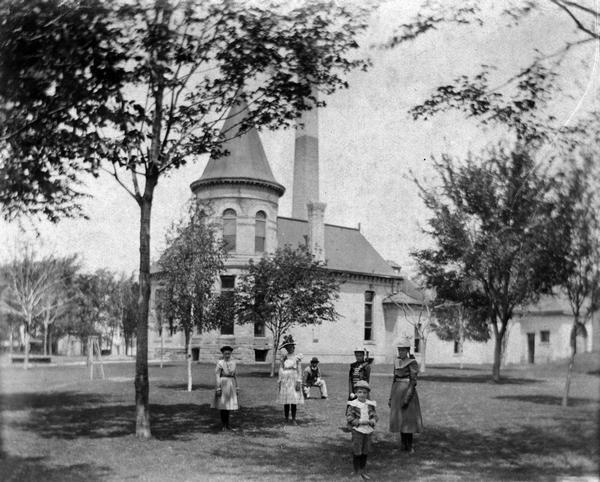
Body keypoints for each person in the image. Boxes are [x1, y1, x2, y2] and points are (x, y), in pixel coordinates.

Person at [388, 336, 423, 452]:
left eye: (403, 350)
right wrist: (390, 397)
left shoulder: (412, 363)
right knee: (400, 419)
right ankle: (403, 445)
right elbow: (394, 379)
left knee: (408, 419)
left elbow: (413, 382)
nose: (401, 352)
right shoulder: (397, 362)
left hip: (408, 392)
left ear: (408, 351)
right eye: (399, 350)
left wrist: (407, 398)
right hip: (397, 392)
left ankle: (409, 445)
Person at [346, 380, 378, 479]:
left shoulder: (370, 404)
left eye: (364, 392)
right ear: (356, 393)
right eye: (360, 392)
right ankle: (356, 471)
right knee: (357, 450)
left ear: (367, 394)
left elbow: (374, 415)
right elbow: (349, 417)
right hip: (358, 430)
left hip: (368, 431)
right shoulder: (353, 404)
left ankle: (363, 470)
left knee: (365, 450)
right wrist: (359, 422)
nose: (362, 395)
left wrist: (373, 420)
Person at [211, 345, 239, 431]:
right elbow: (217, 375)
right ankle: (223, 425)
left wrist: (237, 387)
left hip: (231, 384)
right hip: (223, 383)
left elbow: (235, 375)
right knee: (223, 406)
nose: (227, 355)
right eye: (225, 353)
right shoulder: (220, 363)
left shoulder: (233, 363)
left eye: (229, 354)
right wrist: (218, 388)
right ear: (223, 354)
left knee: (229, 406)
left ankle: (228, 424)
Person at [277, 334, 304, 424]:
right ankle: (286, 418)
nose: (289, 348)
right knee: (286, 400)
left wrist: (298, 381)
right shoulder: (284, 357)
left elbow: (299, 370)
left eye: (290, 347)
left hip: (294, 378)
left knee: (293, 399)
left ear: (293, 347)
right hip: (285, 379)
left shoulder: (297, 357)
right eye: (287, 347)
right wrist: (280, 379)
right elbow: (281, 368)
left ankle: (293, 418)